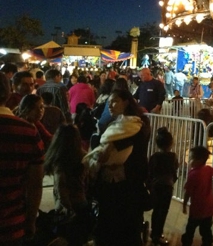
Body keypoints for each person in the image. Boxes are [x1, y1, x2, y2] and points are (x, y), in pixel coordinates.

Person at [83, 89, 151, 246]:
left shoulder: (137, 123)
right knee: (108, 222)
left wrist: (113, 145)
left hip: (129, 184)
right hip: (108, 184)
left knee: (128, 225)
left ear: (126, 101)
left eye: (114, 101)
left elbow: (135, 142)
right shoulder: (110, 123)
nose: (110, 106)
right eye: (108, 102)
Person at [0, 72, 44, 245]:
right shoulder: (27, 131)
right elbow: (34, 184)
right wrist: (31, 221)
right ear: (10, 92)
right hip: (12, 225)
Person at [43, 125, 91, 246]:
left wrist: (67, 207)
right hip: (82, 202)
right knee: (80, 238)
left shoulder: (60, 160)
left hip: (65, 208)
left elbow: (61, 186)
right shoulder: (83, 156)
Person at [148, 127, 179, 245]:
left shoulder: (154, 157)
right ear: (171, 143)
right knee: (163, 211)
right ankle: (157, 234)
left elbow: (149, 172)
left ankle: (153, 231)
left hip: (155, 186)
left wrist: (149, 185)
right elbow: (174, 171)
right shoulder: (173, 157)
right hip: (167, 186)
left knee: (156, 210)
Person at [181, 146, 213, 246]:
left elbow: (188, 192)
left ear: (199, 160)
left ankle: (186, 243)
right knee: (206, 230)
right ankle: (207, 243)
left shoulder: (193, 174)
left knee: (190, 229)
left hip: (197, 209)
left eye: (191, 158)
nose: (189, 160)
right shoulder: (208, 170)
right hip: (209, 208)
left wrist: (184, 205)